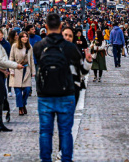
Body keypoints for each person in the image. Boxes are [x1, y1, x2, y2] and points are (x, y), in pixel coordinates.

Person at [33, 13, 92, 162]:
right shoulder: (70, 47)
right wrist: (87, 62)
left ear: (45, 27)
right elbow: (82, 72)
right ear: (60, 27)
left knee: (45, 132)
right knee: (65, 132)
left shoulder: (39, 46)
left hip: (45, 94)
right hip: (66, 93)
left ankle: (46, 159)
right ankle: (66, 159)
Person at [62, 27, 91, 105]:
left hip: (73, 88)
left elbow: (82, 71)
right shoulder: (55, 50)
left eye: (70, 36)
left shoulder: (75, 52)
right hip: (59, 88)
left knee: (69, 115)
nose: (67, 37)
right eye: (66, 35)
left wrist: (88, 62)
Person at [9, 31, 35, 116]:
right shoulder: (14, 46)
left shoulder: (29, 47)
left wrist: (33, 71)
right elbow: (11, 59)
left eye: (26, 36)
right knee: (18, 92)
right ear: (20, 38)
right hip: (17, 70)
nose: (25, 38)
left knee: (27, 90)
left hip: (26, 69)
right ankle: (20, 107)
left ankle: (23, 104)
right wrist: (11, 70)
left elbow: (31, 60)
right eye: (23, 37)